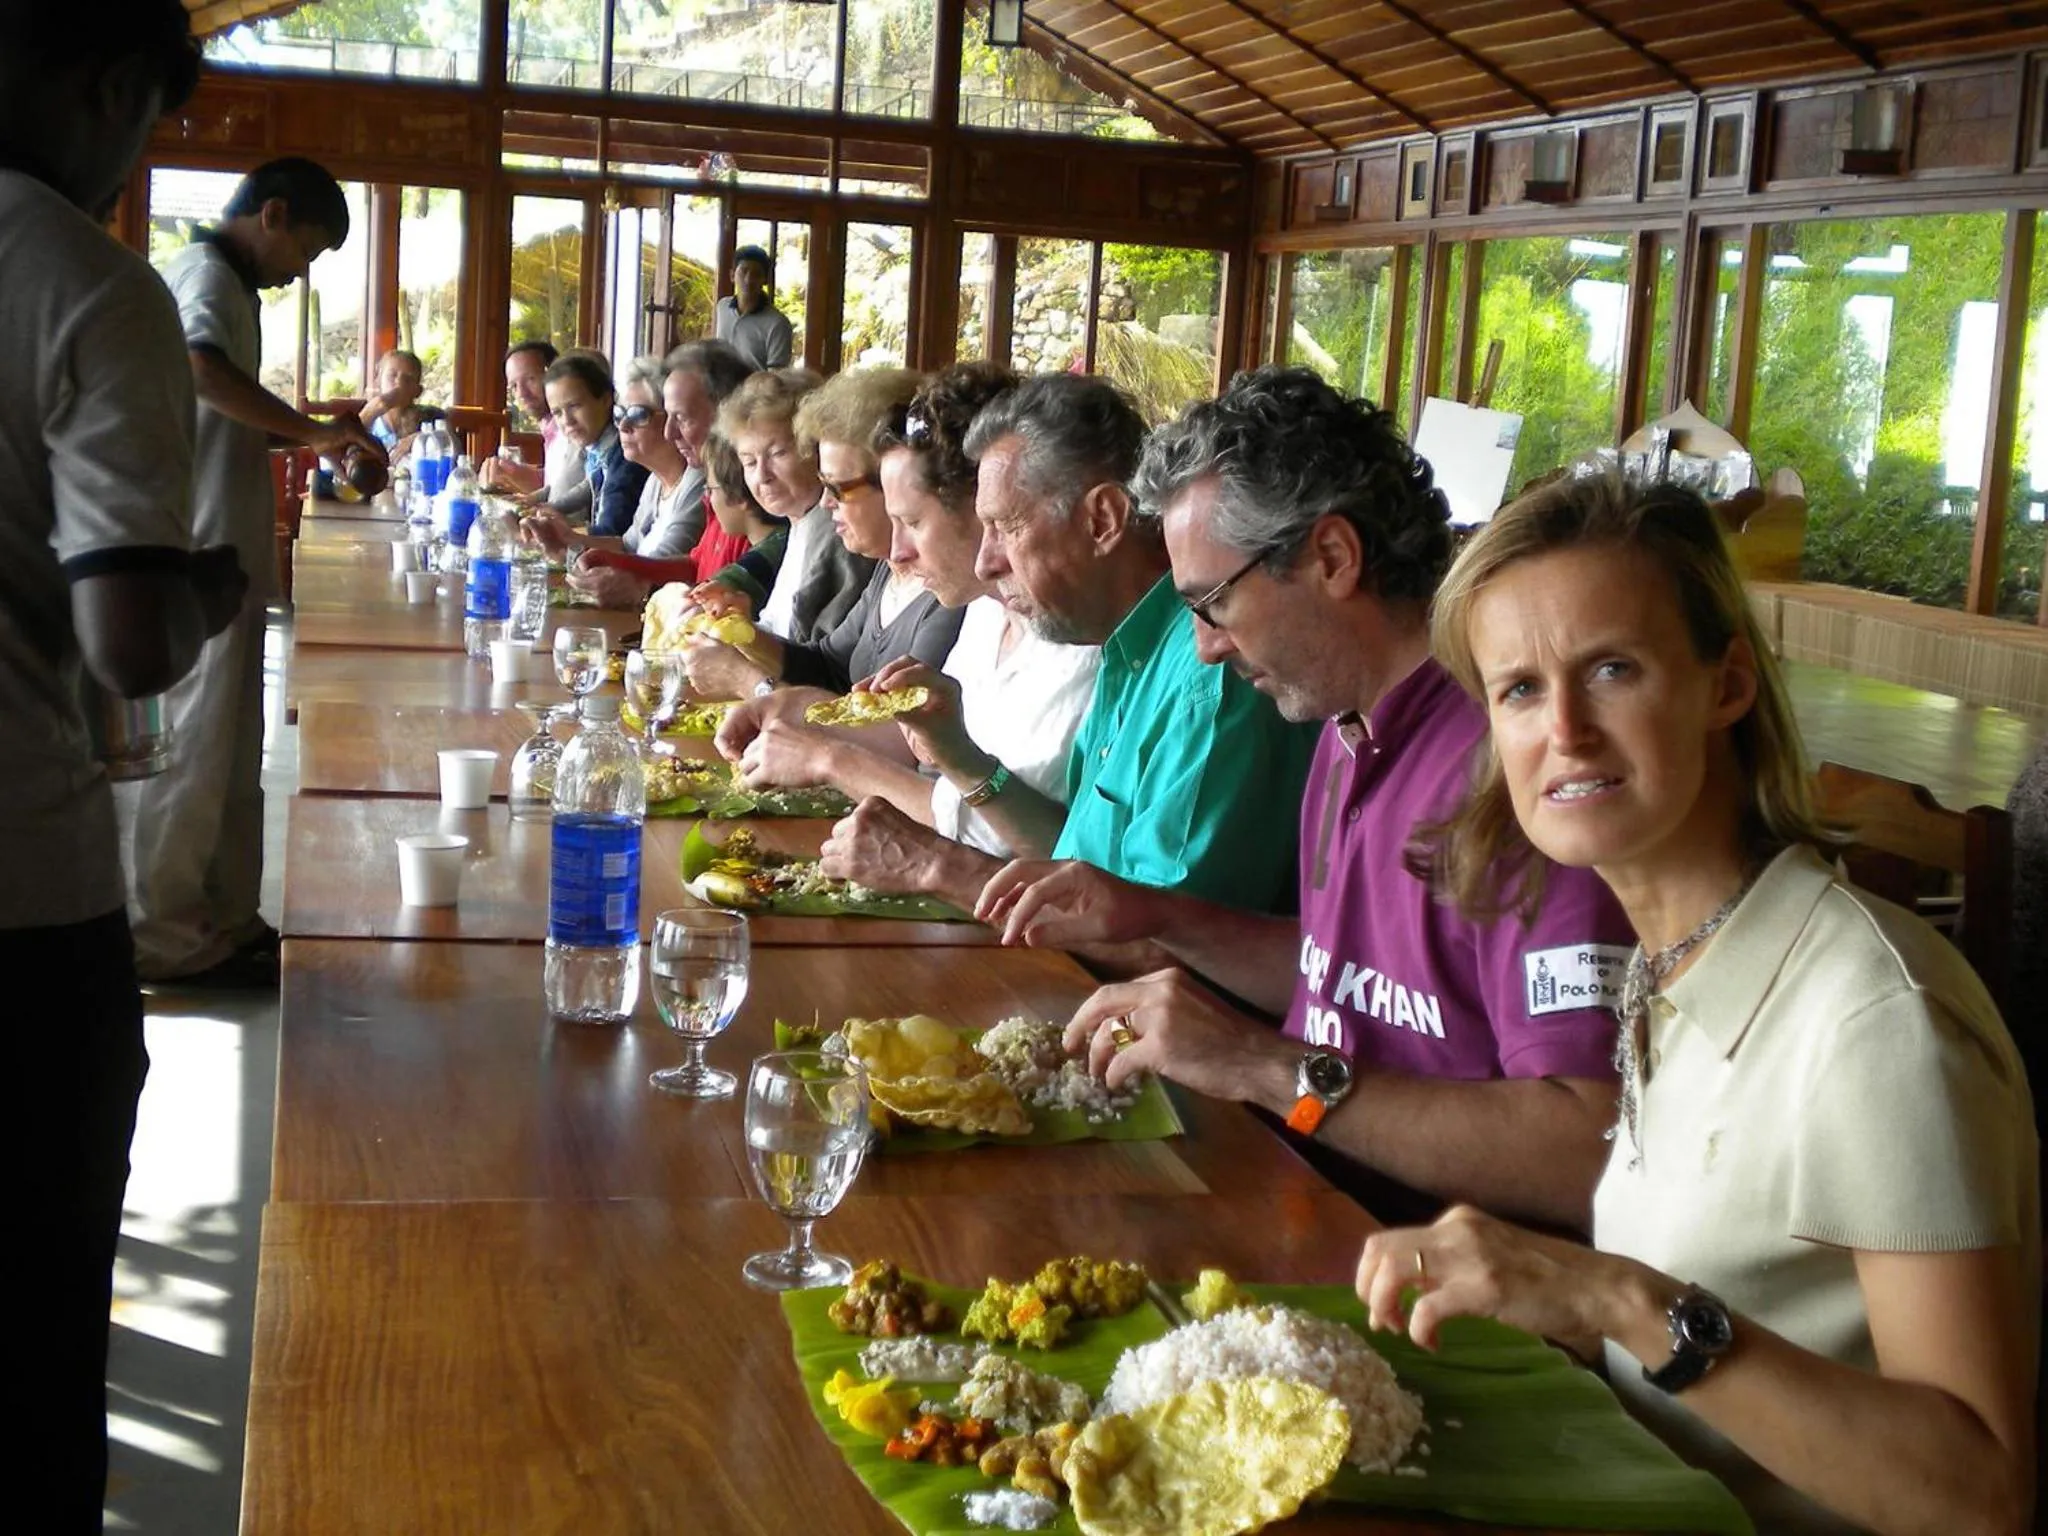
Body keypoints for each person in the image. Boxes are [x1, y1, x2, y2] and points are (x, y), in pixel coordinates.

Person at [1353, 473, 2037, 1534]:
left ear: (1724, 685)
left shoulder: (1870, 1020)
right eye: (1518, 690)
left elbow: (1977, 1495)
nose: (1564, 731)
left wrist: (1610, 1299)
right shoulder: (1666, 963)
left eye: (1611, 670)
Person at [978, 368, 1629, 1228]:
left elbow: (1587, 1153)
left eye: (1213, 604)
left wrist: (1263, 1065)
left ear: (1331, 557)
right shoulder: (1340, 721)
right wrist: (1154, 914)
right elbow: (1347, 976)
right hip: (1301, 1199)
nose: (1206, 648)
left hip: (1436, 1272)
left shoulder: (1516, 765)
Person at [2, 3, 249, 1524]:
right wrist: (214, 584)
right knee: (32, 1340)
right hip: (19, 902)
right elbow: (133, 642)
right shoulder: (83, 282)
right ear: (107, 90)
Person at [816, 372, 1316, 933]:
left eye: (1005, 527)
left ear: (1102, 520)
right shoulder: (1120, 642)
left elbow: (1165, 946)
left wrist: (938, 867)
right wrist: (961, 757)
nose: (986, 564)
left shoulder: (1210, 675)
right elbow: (1077, 862)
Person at [118, 154, 383, 988]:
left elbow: (225, 414)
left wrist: (309, 438)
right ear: (273, 214)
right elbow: (200, 370)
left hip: (221, 550)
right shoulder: (203, 274)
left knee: (231, 751)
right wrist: (310, 432)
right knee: (191, 747)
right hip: (188, 547)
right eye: (307, 250)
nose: (301, 272)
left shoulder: (229, 287)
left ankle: (226, 918)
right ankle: (162, 935)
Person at [718, 362, 1100, 857]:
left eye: (913, 522)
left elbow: (1000, 837)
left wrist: (830, 758)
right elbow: (921, 747)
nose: (897, 553)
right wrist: (794, 713)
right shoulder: (988, 612)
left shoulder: (1075, 635)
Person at [683, 367, 960, 699]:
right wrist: (747, 635)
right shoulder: (888, 571)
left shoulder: (950, 592)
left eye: (837, 487)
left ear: (892, 482)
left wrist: (744, 680)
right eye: (749, 460)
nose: (826, 502)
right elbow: (829, 666)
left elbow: (892, 735)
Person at [694, 367, 875, 648]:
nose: (762, 475)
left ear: (816, 451)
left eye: (777, 454)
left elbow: (816, 662)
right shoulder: (799, 523)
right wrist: (740, 620)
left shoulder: (840, 536)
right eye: (750, 462)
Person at [571, 339, 758, 608]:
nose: (669, 433)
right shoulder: (716, 488)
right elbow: (696, 566)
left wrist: (642, 589)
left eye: (682, 418)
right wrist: (615, 560)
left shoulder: (753, 495)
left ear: (725, 415)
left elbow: (731, 599)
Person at [525, 356, 697, 570]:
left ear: (672, 420)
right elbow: (626, 545)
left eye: (637, 414)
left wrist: (570, 552)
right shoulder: (656, 480)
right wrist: (567, 539)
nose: (623, 425)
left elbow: (653, 572)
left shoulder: (696, 484)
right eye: (620, 414)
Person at [534, 351, 645, 539]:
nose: (567, 421)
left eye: (575, 406)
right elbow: (588, 485)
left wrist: (557, 530)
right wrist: (547, 508)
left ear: (605, 400)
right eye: (557, 413)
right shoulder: (597, 449)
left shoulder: (625, 457)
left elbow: (610, 533)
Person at [480, 339, 580, 501]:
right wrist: (514, 473)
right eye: (514, 386)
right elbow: (558, 482)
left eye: (530, 379)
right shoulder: (551, 429)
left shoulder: (573, 429)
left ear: (555, 377)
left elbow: (568, 497)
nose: (522, 393)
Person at [714, 243, 793, 370]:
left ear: (765, 280)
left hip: (755, 389)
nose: (748, 279)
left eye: (756, 274)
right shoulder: (723, 307)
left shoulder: (777, 324)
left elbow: (777, 376)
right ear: (732, 276)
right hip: (720, 388)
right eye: (743, 271)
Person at [359, 346, 438, 461]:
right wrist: (374, 409)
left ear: (418, 391)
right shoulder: (367, 420)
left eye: (408, 378)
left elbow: (452, 444)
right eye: (392, 376)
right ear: (378, 382)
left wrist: (421, 438)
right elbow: (343, 444)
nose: (399, 383)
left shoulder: (432, 416)